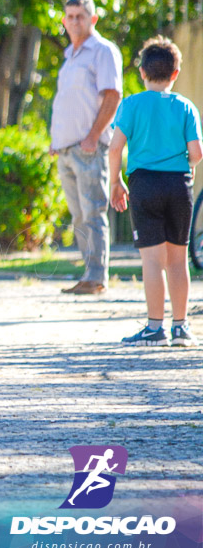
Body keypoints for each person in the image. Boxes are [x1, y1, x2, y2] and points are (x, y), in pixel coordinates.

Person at [109, 36, 200, 348]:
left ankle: (154, 327)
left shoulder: (131, 104)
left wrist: (115, 182)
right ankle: (181, 327)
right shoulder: (186, 107)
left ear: (142, 72)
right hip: (179, 185)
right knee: (178, 258)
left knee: (152, 260)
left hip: (144, 184)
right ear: (175, 74)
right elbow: (197, 153)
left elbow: (115, 147)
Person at [50, 0, 123, 295]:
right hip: (66, 149)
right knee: (79, 215)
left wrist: (93, 136)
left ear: (93, 19)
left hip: (90, 148)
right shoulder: (69, 56)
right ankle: (88, 273)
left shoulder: (103, 51)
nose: (74, 21)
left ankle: (97, 276)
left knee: (93, 211)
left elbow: (112, 95)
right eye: (70, 16)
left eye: (81, 15)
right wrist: (57, 141)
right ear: (64, 21)